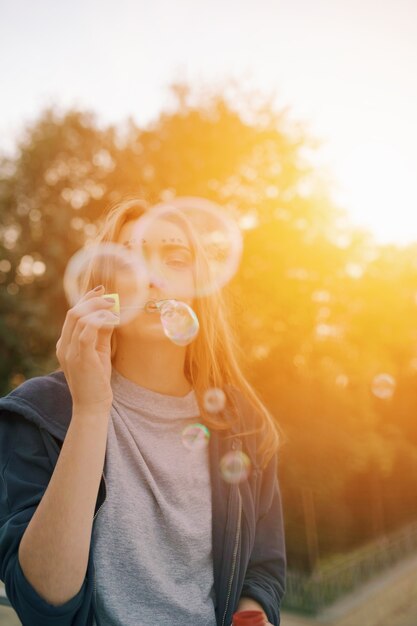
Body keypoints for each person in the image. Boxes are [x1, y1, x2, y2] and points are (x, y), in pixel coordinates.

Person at [0, 196, 287, 626]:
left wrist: (252, 613)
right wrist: (91, 410)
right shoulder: (37, 412)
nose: (151, 276)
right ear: (102, 287)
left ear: (200, 288)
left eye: (174, 258)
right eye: (130, 260)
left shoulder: (241, 423)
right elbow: (43, 600)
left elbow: (262, 565)